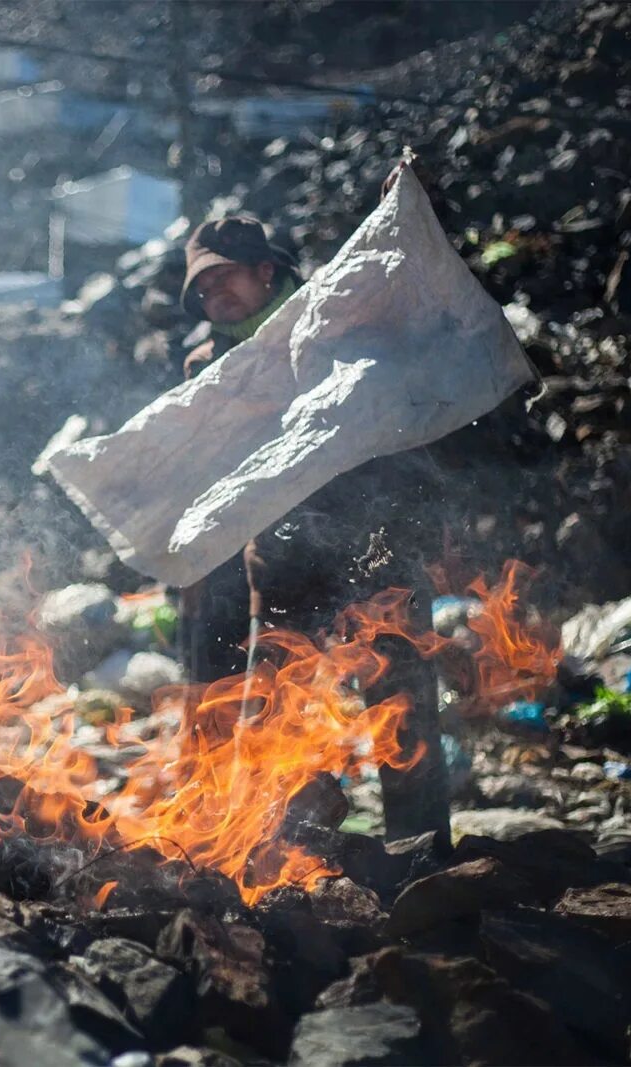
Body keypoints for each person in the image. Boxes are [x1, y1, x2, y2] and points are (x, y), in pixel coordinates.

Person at [175, 185, 451, 840]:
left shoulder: (334, 322)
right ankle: (290, 856)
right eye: (203, 287)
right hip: (280, 560)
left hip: (373, 543)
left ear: (266, 271)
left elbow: (403, 304)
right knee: (280, 711)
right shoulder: (204, 365)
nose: (214, 296)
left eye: (225, 278)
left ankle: (424, 857)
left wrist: (401, 219)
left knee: (403, 706)